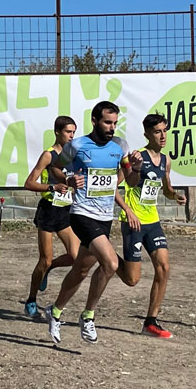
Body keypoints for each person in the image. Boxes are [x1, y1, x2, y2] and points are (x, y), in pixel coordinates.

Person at [43, 101, 143, 344]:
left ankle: (54, 312)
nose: (112, 128)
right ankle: (88, 316)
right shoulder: (77, 145)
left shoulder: (120, 146)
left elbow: (130, 181)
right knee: (109, 263)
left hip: (104, 216)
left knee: (82, 269)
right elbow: (54, 168)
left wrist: (137, 168)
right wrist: (68, 178)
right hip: (81, 214)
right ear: (95, 121)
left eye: (115, 123)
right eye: (107, 122)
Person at [114, 113, 186, 339]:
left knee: (164, 267)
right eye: (157, 131)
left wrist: (174, 195)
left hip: (152, 221)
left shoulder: (166, 160)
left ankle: (151, 321)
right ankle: (106, 257)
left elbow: (165, 188)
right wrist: (127, 210)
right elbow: (113, 187)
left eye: (165, 130)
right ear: (147, 134)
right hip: (134, 222)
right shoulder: (136, 158)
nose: (163, 136)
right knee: (132, 279)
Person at [21, 116, 80, 319]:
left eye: (74, 132)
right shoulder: (49, 155)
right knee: (44, 260)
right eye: (68, 132)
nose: (72, 136)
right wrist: (51, 187)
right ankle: (31, 299)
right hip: (48, 210)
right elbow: (29, 183)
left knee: (75, 256)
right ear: (57, 132)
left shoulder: (73, 155)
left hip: (65, 211)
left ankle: (51, 268)